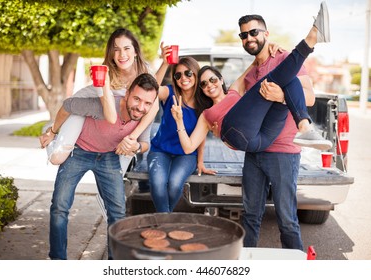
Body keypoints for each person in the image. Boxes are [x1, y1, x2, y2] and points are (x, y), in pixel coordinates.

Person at [171, 2, 330, 251]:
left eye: (254, 32)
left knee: (288, 220)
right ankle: (246, 267)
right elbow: (237, 89)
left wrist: (279, 96)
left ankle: (298, 270)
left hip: (283, 151)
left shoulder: (285, 58)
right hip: (254, 152)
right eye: (244, 35)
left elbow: (309, 97)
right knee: (251, 216)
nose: (249, 38)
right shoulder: (247, 77)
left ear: (266, 33)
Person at [40, 73, 158, 260]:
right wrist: (53, 131)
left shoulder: (145, 115)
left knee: (118, 211)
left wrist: (135, 146)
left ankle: (113, 263)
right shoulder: (104, 105)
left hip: (109, 157)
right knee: (59, 206)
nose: (140, 107)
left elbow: (146, 144)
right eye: (137, 99)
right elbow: (68, 105)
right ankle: (58, 260)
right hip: (78, 151)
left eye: (147, 103)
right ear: (127, 94)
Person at [45, 28, 157, 174]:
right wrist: (53, 131)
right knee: (57, 157)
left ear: (135, 51)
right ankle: (48, 129)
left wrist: (131, 138)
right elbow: (110, 116)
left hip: (119, 126)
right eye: (116, 49)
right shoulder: (104, 75)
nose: (122, 54)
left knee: (119, 172)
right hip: (81, 110)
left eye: (127, 48)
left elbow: (154, 105)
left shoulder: (146, 71)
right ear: (111, 53)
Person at [147, 45, 216, 213]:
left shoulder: (204, 103)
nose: (183, 78)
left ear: (196, 74)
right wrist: (164, 63)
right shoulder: (170, 93)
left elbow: (201, 136)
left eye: (188, 73)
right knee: (157, 183)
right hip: (160, 150)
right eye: (178, 75)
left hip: (186, 154)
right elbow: (152, 89)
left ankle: (163, 221)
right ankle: (166, 220)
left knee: (174, 184)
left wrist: (200, 162)